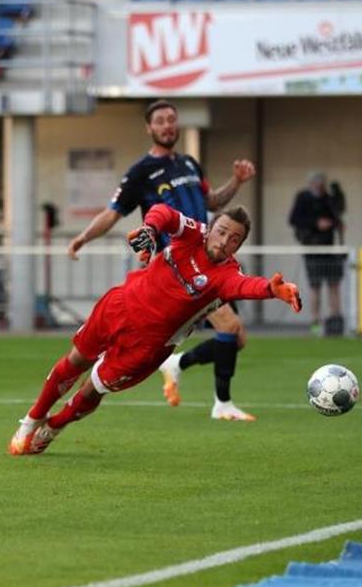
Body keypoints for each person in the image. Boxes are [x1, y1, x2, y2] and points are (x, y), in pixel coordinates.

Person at [10, 203, 301, 455]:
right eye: (222, 231)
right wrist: (150, 228)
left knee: (92, 388)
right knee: (76, 360)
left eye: (234, 239)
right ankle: (31, 420)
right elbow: (164, 213)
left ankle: (54, 427)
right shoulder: (193, 233)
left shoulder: (226, 274)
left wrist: (272, 289)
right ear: (211, 227)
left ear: (239, 246)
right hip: (119, 306)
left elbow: (245, 285)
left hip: (147, 346)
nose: (225, 241)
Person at [68, 99, 260, 421]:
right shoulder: (141, 172)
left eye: (172, 119)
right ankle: (222, 404)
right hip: (177, 268)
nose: (167, 125)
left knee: (237, 339)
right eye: (160, 120)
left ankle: (178, 364)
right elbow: (112, 212)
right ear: (149, 128)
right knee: (229, 325)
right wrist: (84, 237)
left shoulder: (189, 164)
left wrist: (237, 182)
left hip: (210, 261)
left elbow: (212, 202)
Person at [288, 171, 347, 335]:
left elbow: (338, 217)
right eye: (316, 184)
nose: (319, 188)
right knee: (315, 286)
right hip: (312, 248)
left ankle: (335, 319)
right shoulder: (303, 198)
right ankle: (315, 321)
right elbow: (293, 219)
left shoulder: (328, 198)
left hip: (329, 248)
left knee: (334, 284)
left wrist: (332, 223)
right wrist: (316, 223)